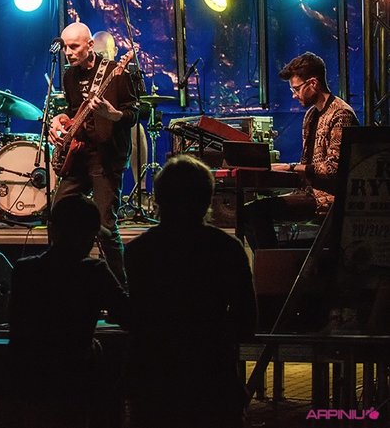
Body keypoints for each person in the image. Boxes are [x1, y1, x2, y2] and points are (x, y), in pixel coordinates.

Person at [124, 155, 257, 428]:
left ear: (159, 199)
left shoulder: (138, 251)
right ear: (207, 199)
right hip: (212, 378)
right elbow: (247, 321)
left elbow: (135, 317)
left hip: (154, 382)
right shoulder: (227, 249)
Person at [9, 194, 129, 428]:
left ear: (52, 230)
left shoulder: (24, 271)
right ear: (92, 236)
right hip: (76, 378)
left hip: (33, 379)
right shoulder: (94, 270)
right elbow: (126, 314)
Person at [238, 52, 359, 249]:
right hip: (309, 192)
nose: (294, 95)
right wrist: (276, 170)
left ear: (313, 83)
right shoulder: (311, 115)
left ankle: (274, 262)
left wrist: (290, 167)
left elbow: (335, 168)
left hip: (329, 198)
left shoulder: (341, 114)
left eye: (296, 89)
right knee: (246, 213)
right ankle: (273, 259)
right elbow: (309, 164)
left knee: (255, 212)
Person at [48, 22, 139, 283]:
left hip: (106, 157)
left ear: (90, 45)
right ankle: (66, 279)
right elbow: (75, 110)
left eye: (74, 46)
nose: (68, 52)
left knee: (105, 227)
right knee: (58, 213)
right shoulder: (69, 76)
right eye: (65, 47)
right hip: (79, 155)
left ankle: (120, 287)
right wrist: (61, 119)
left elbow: (135, 112)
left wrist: (114, 114)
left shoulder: (116, 72)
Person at [92, 30, 149, 200]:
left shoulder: (125, 74)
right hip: (93, 124)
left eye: (104, 53)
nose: (101, 57)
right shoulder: (88, 73)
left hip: (119, 123)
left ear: (115, 51)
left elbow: (142, 108)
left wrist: (117, 115)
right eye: (97, 54)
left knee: (137, 130)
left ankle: (141, 190)